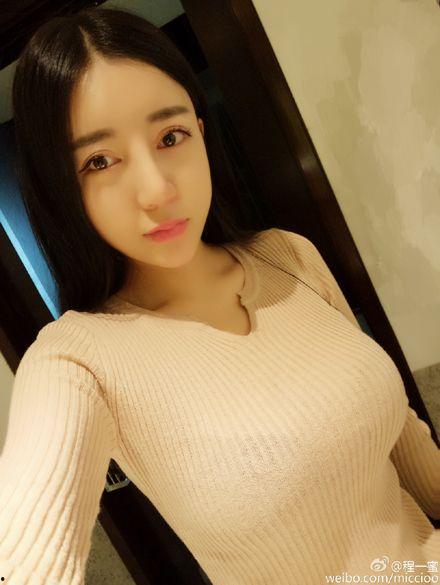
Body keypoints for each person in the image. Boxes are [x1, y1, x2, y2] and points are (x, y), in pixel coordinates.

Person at [0, 6, 438, 585]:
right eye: (99, 161)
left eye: (170, 136)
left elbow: (402, 438)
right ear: (63, 186)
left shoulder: (289, 256)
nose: (156, 190)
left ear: (201, 134)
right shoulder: (76, 360)